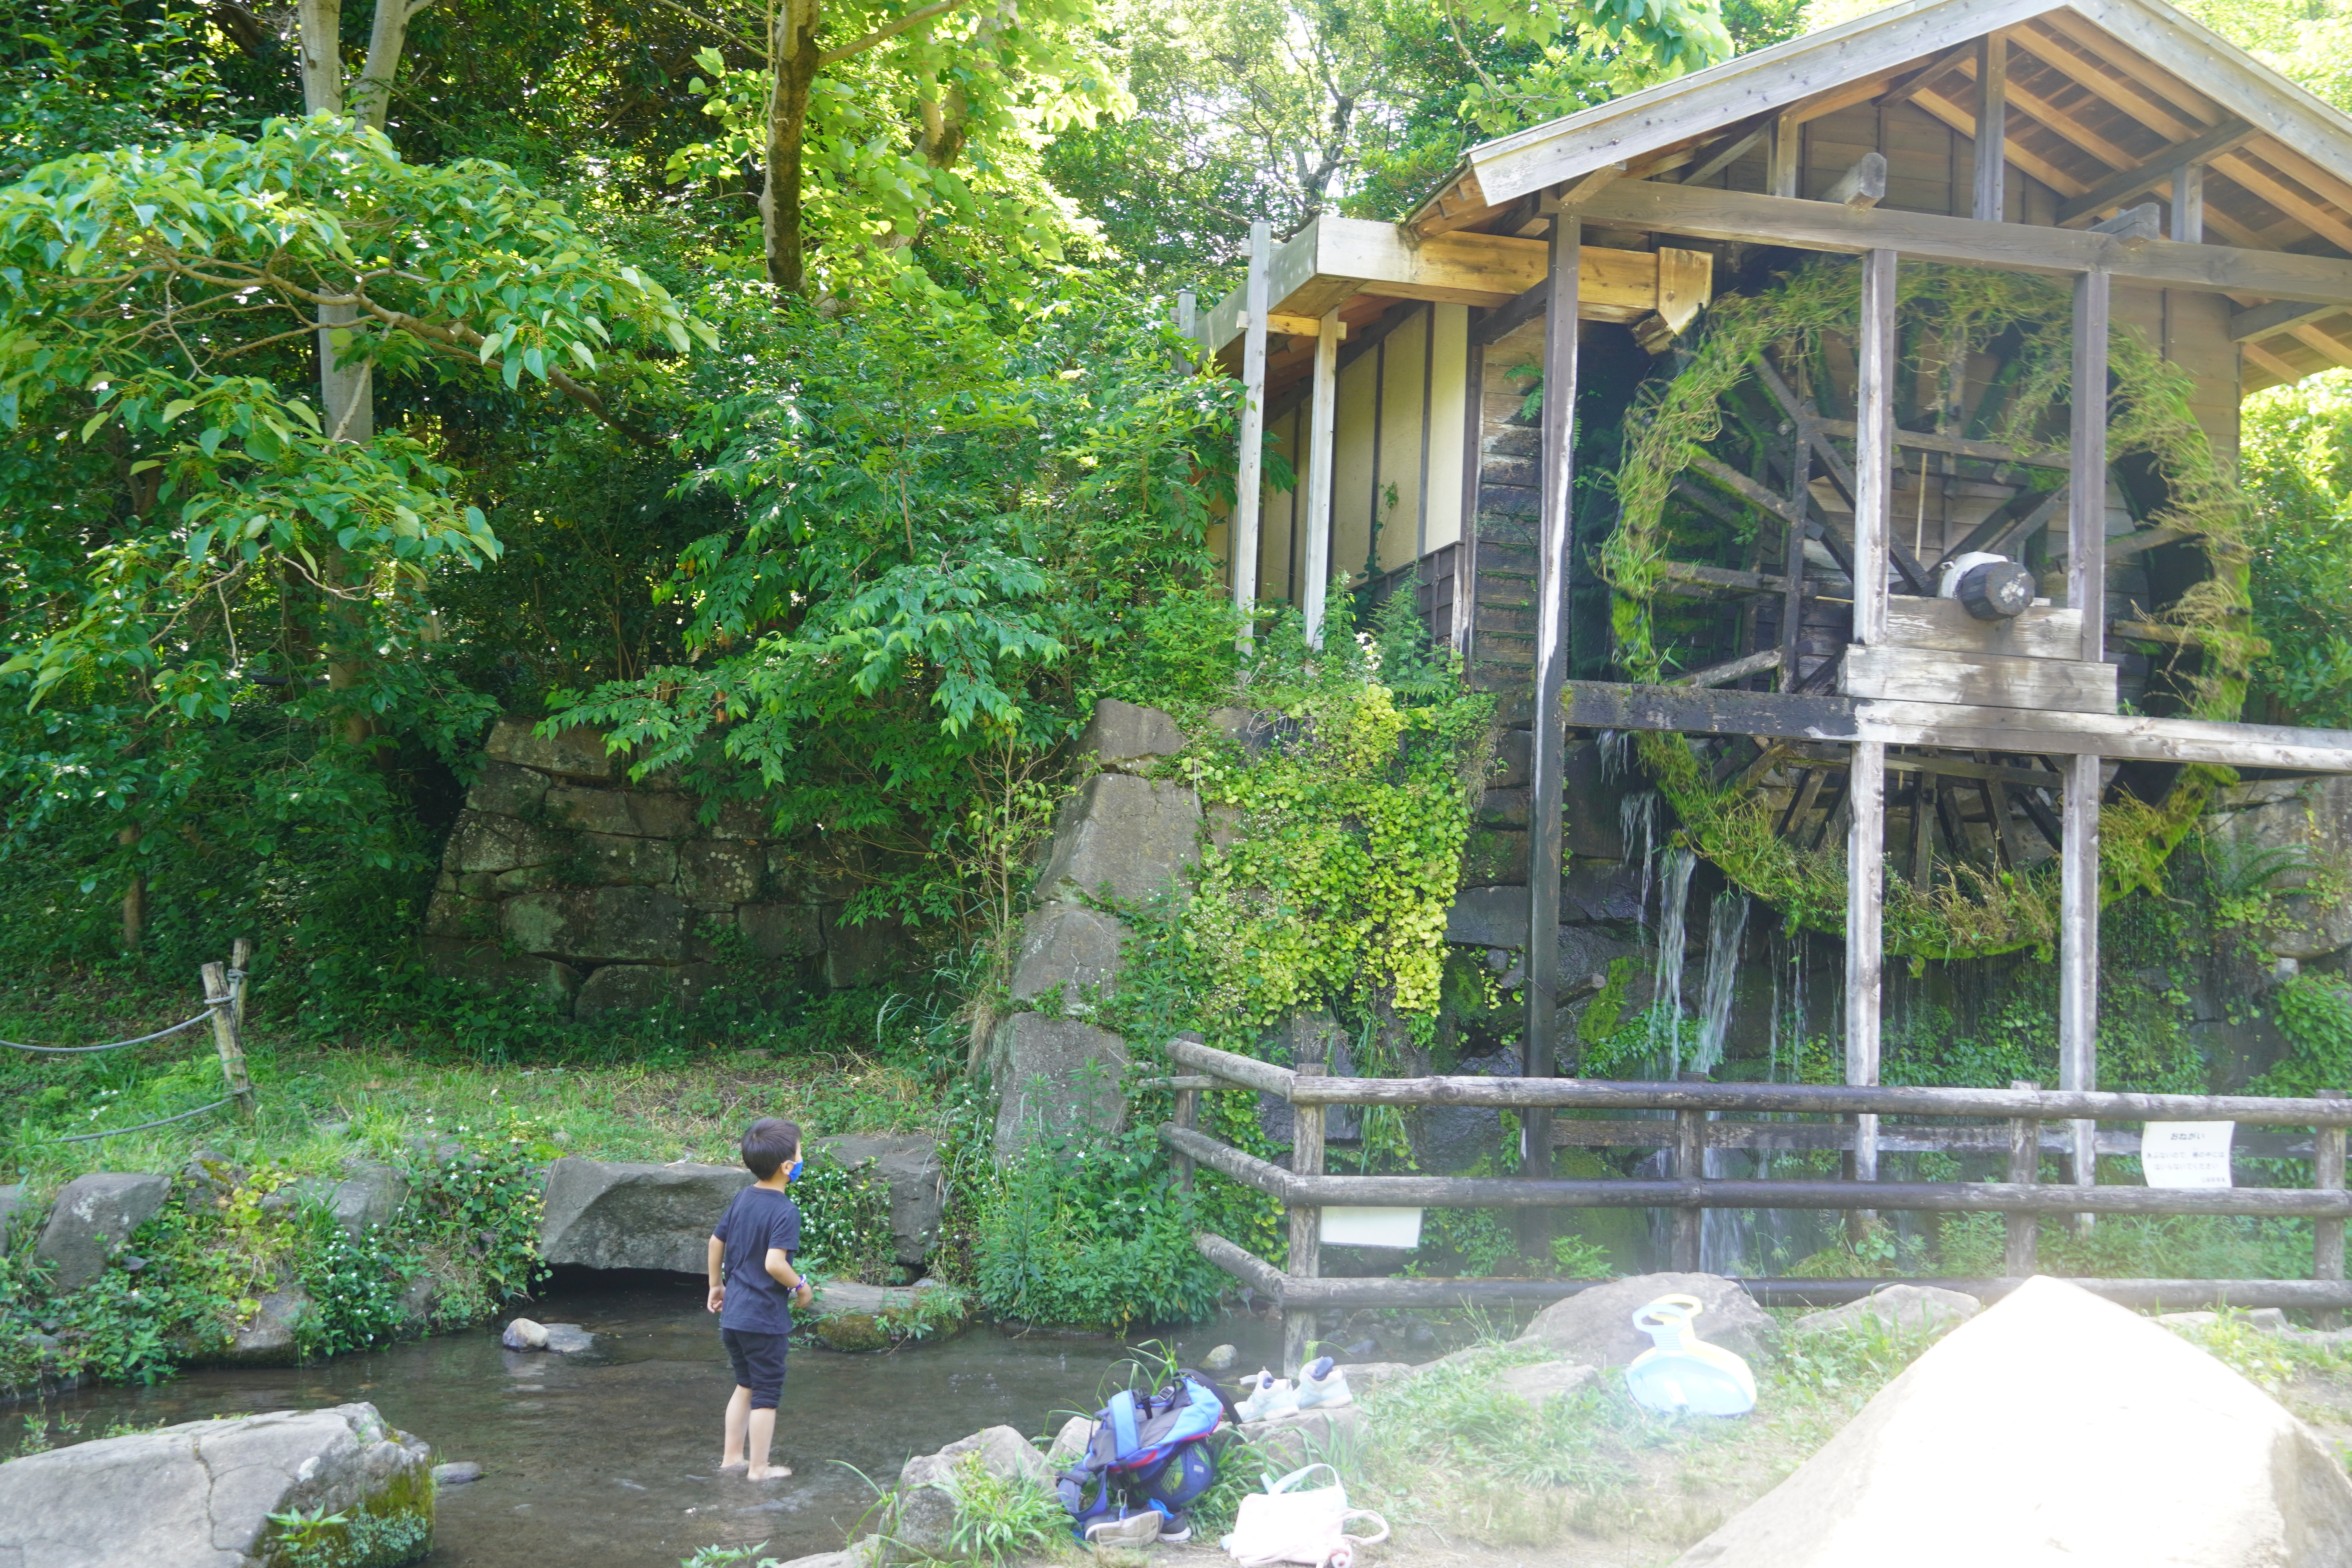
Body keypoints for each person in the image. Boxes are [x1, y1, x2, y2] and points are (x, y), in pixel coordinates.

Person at [708, 1117, 813, 1480]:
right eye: (800, 1154)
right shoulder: (785, 1211)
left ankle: (731, 1460)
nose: (802, 1159)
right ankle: (759, 1469)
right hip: (764, 1320)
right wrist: (801, 1285)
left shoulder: (742, 1198)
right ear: (788, 1167)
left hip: (734, 1316)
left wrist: (715, 1286)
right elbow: (774, 1263)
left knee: (744, 1385)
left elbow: (715, 1241)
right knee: (766, 1394)